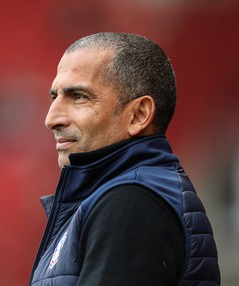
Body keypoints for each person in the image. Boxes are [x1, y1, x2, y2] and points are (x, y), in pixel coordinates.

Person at [29, 32, 220, 286]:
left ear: (139, 115)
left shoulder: (131, 203)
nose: (52, 119)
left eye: (79, 97)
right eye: (55, 97)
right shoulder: (118, 197)